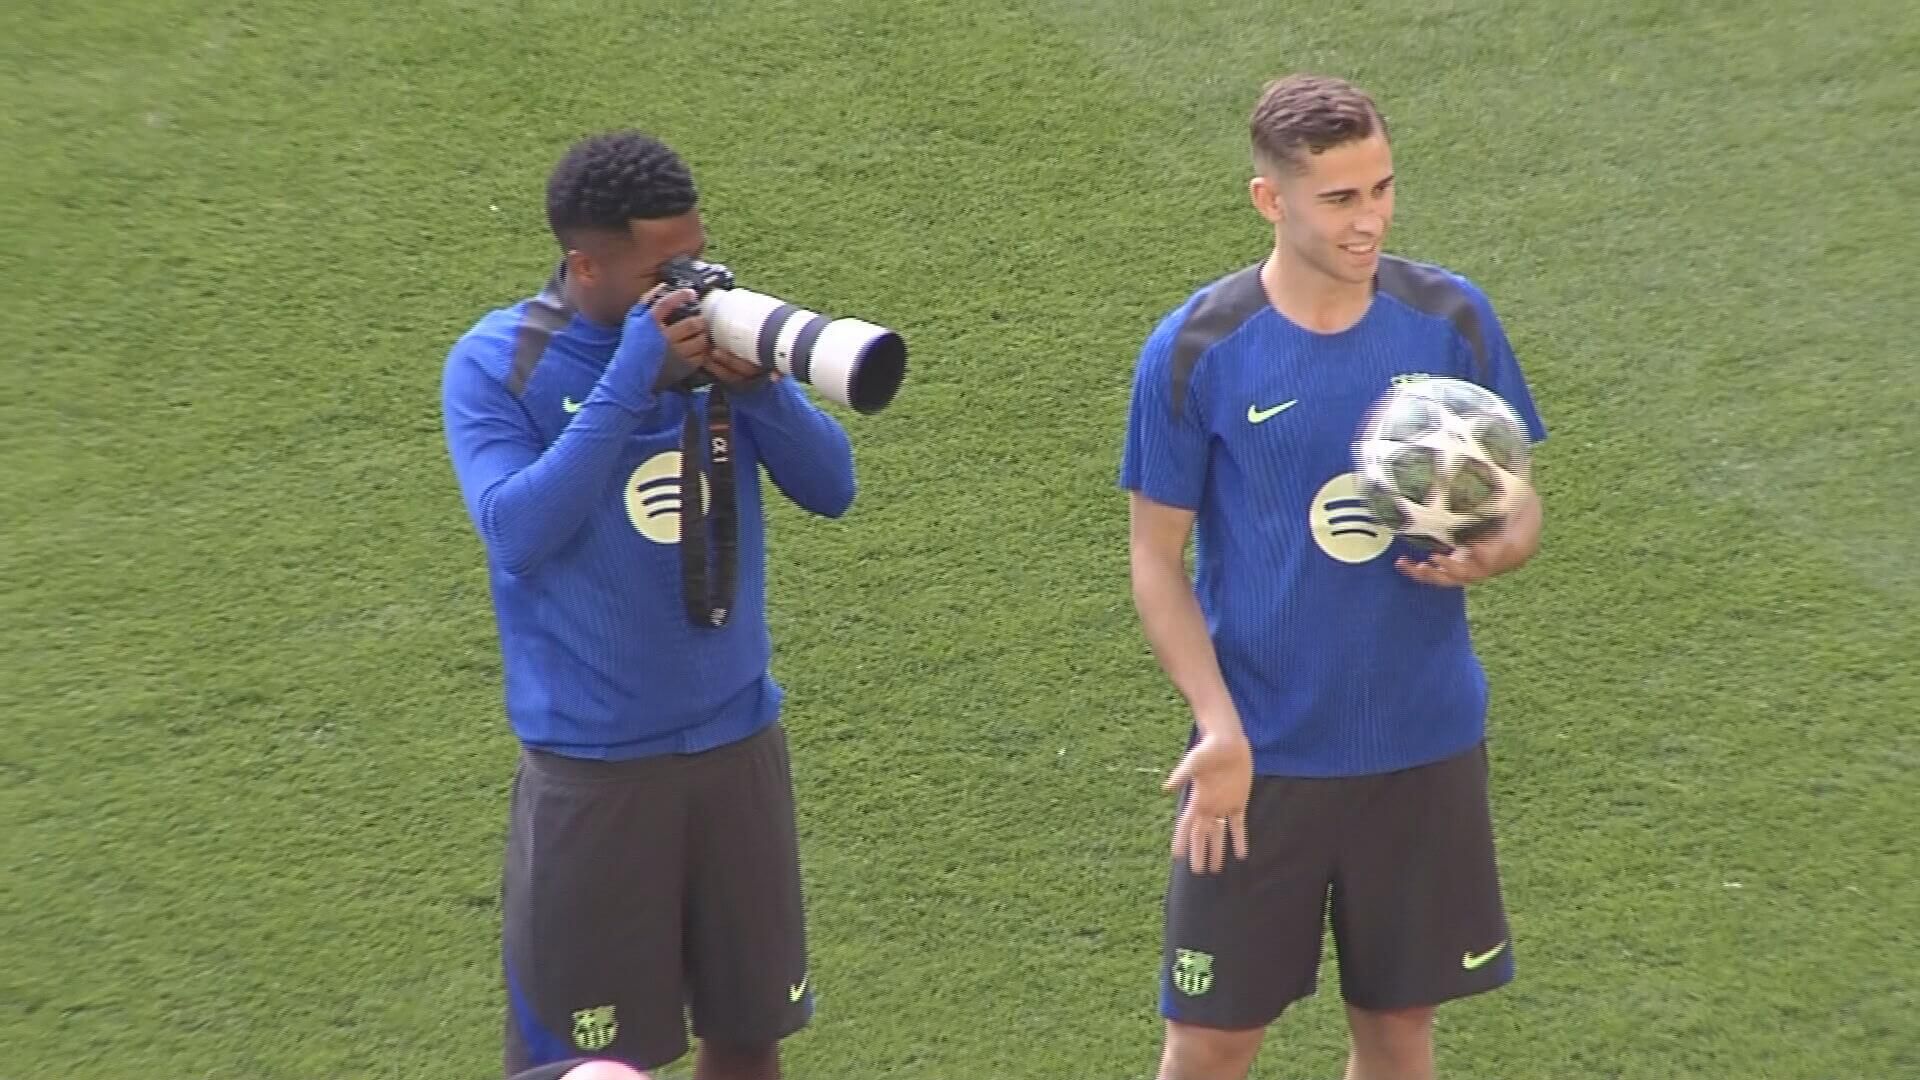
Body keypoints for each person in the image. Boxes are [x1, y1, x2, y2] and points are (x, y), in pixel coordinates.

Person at [1118, 74, 1548, 1080]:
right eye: (1342, 199)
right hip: (1260, 758)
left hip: (1422, 744)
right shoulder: (1197, 351)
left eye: (1383, 188)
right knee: (1213, 1042)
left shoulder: (1450, 319)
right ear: (1272, 200)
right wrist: (1217, 724)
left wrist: (1501, 546)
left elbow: (1517, 495)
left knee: (1399, 1030)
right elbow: (1154, 557)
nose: (1373, 220)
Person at [441, 129, 856, 1080]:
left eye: (697, 249)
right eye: (664, 264)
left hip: (738, 748)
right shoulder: (497, 363)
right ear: (586, 264)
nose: (694, 278)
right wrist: (631, 382)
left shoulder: (717, 345)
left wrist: (761, 397)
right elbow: (514, 531)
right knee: (586, 1068)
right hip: (596, 772)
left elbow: (833, 488)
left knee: (749, 1042)